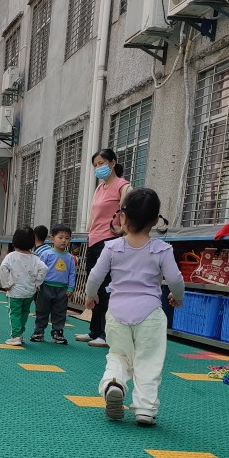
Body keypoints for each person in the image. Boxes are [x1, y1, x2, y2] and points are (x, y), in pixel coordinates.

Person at [85, 188, 184, 427]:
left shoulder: (111, 247)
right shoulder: (162, 249)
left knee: (118, 355)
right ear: (155, 220)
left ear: (123, 216)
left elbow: (95, 276)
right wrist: (177, 297)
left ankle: (114, 384)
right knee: (148, 361)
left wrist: (90, 297)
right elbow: (175, 279)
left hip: (117, 313)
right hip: (150, 314)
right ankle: (145, 409)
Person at [77, 148, 131, 347]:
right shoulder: (100, 188)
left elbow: (129, 213)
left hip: (110, 241)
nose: (98, 168)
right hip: (94, 240)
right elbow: (93, 216)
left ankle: (107, 334)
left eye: (101, 163)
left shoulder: (123, 186)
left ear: (113, 163)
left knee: (107, 287)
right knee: (95, 287)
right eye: (95, 165)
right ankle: (94, 330)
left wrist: (122, 230)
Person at [0, 226, 48, 346]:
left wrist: (6, 284)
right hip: (29, 292)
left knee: (15, 313)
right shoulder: (35, 258)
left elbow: (3, 268)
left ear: (15, 241)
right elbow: (44, 269)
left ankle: (16, 336)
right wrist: (37, 283)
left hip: (15, 292)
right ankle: (20, 334)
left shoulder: (11, 256)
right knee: (24, 313)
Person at [31, 223, 76, 345]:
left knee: (60, 312)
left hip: (62, 289)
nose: (64, 241)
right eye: (60, 237)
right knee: (42, 310)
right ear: (52, 239)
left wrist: (71, 288)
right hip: (45, 287)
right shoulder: (47, 254)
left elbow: (72, 273)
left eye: (67, 238)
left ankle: (57, 332)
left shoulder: (69, 257)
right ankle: (38, 331)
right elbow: (39, 269)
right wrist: (37, 283)